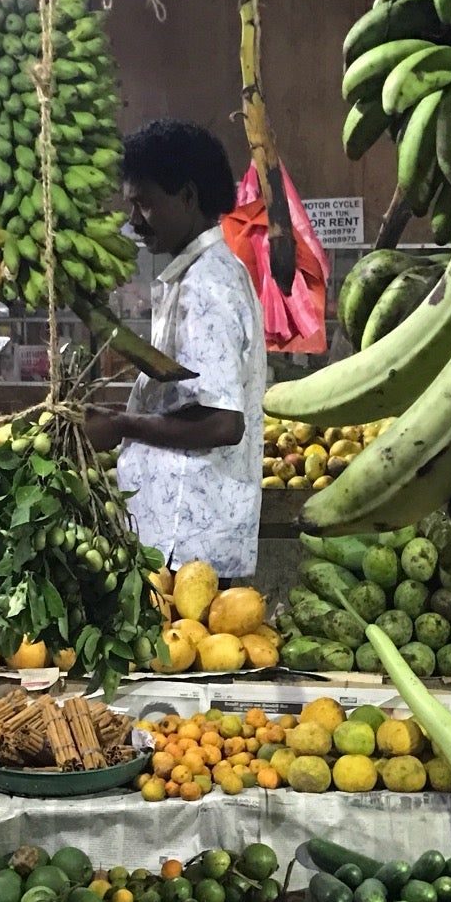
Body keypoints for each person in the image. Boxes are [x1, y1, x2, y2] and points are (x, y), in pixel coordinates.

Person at [86, 119, 266, 577]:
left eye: (144, 204)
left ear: (187, 197)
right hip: (179, 542)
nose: (133, 222)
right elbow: (190, 398)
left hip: (189, 550)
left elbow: (224, 423)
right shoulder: (194, 276)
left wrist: (123, 425)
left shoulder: (208, 286)